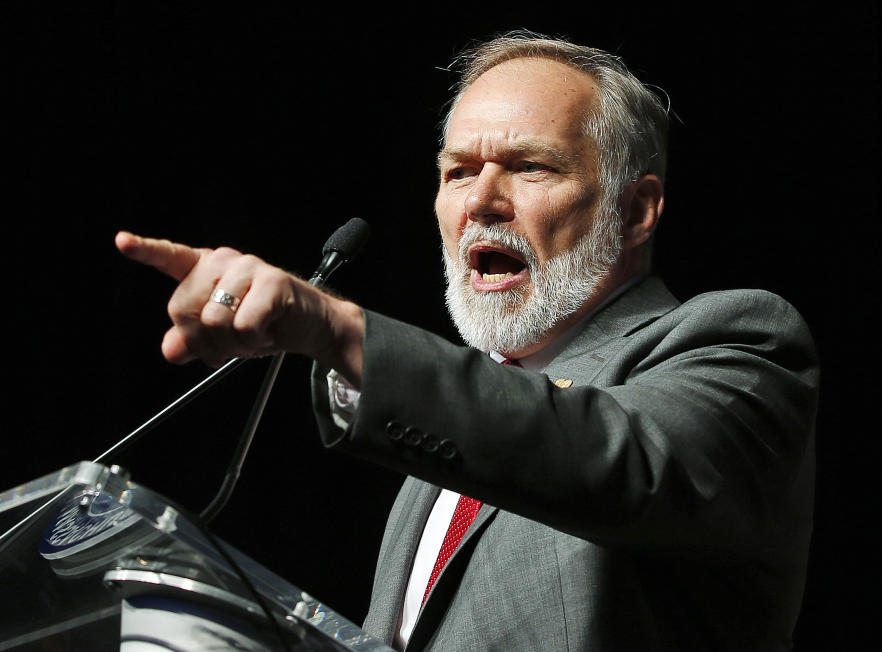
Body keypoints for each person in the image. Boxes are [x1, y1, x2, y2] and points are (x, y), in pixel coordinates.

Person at [117, 32, 818, 652]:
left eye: (529, 167)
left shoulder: (737, 343)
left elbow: (616, 459)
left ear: (633, 211)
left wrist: (334, 327)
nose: (480, 201)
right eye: (457, 172)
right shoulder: (439, 445)